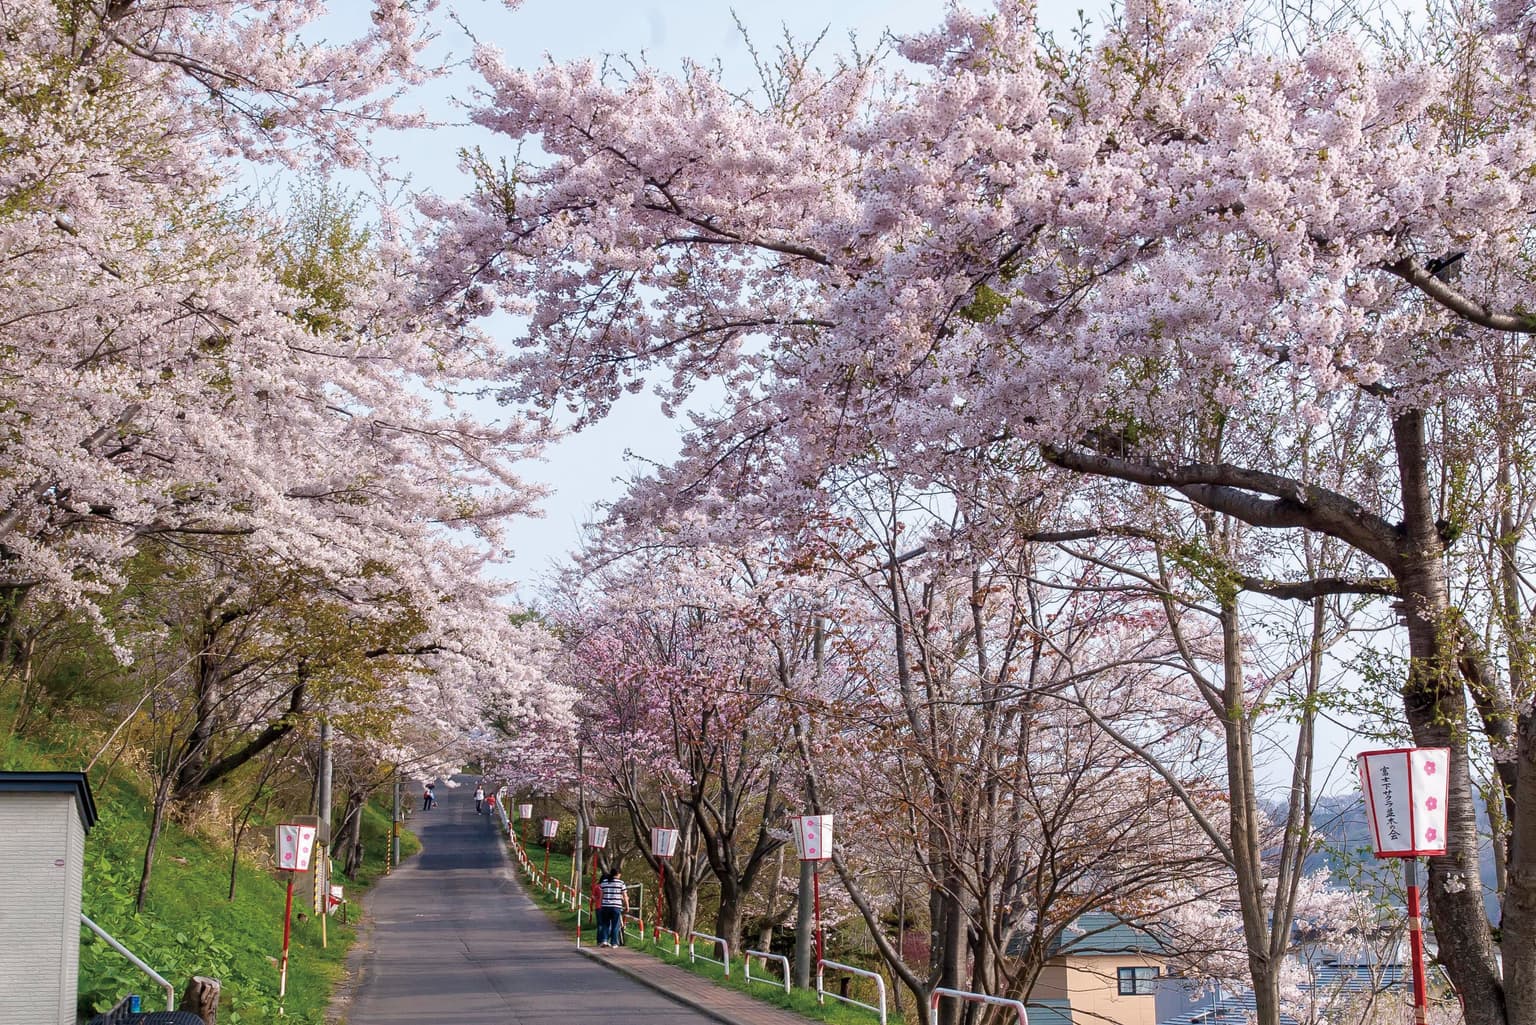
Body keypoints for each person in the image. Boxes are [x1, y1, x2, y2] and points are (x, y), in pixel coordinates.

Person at [598, 866, 629, 947]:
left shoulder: (604, 882)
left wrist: (601, 905)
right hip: (616, 906)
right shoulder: (621, 883)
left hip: (605, 906)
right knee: (615, 925)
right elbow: (625, 896)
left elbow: (601, 895)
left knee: (605, 924)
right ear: (618, 874)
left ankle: (604, 940)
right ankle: (614, 942)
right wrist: (627, 905)